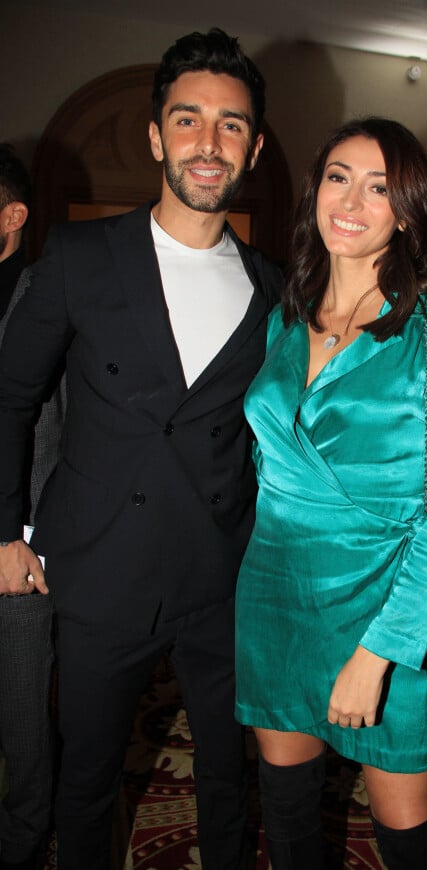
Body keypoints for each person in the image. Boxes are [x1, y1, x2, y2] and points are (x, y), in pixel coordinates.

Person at [0, 29, 282, 870]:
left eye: (231, 125)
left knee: (228, 775)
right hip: (97, 570)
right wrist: (5, 531)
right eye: (188, 120)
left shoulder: (273, 286)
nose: (208, 142)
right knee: (86, 776)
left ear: (255, 148)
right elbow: (10, 396)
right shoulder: (82, 255)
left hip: (222, 573)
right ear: (157, 136)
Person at [235, 116, 427, 869]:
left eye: (379, 187)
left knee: (409, 837)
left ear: (408, 210)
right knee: (285, 821)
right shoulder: (285, 313)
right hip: (277, 595)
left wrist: (378, 653)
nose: (351, 199)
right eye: (338, 176)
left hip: (389, 608)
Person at [0, 144, 63, 870]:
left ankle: (21, 840)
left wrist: (29, 536)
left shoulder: (46, 294)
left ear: (12, 216)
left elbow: (61, 429)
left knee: (22, 712)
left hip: (18, 547)